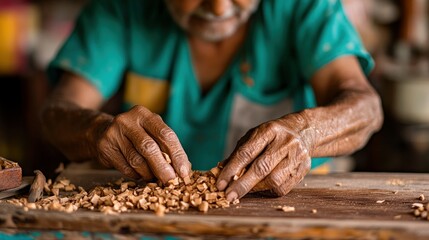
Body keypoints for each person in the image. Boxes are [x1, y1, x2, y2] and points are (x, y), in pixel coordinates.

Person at [41, 0, 383, 202]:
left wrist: (307, 133)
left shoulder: (303, 7)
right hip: (155, 218)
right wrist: (95, 129)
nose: (219, 7)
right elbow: (57, 112)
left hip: (290, 210)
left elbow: (366, 107)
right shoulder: (121, 9)